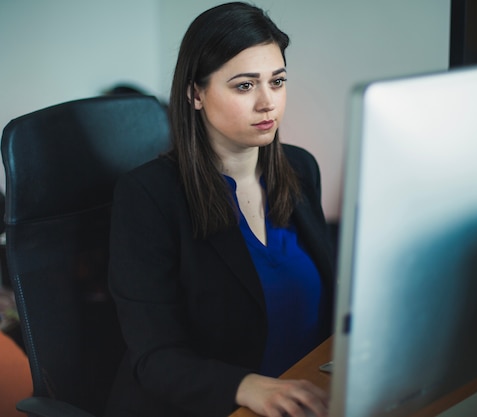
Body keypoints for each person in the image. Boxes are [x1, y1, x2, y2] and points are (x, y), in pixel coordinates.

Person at [105, 3, 335, 417]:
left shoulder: (301, 168)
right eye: (245, 86)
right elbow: (154, 357)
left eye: (277, 81)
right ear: (195, 93)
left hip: (311, 395)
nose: (268, 103)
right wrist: (246, 387)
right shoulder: (148, 196)